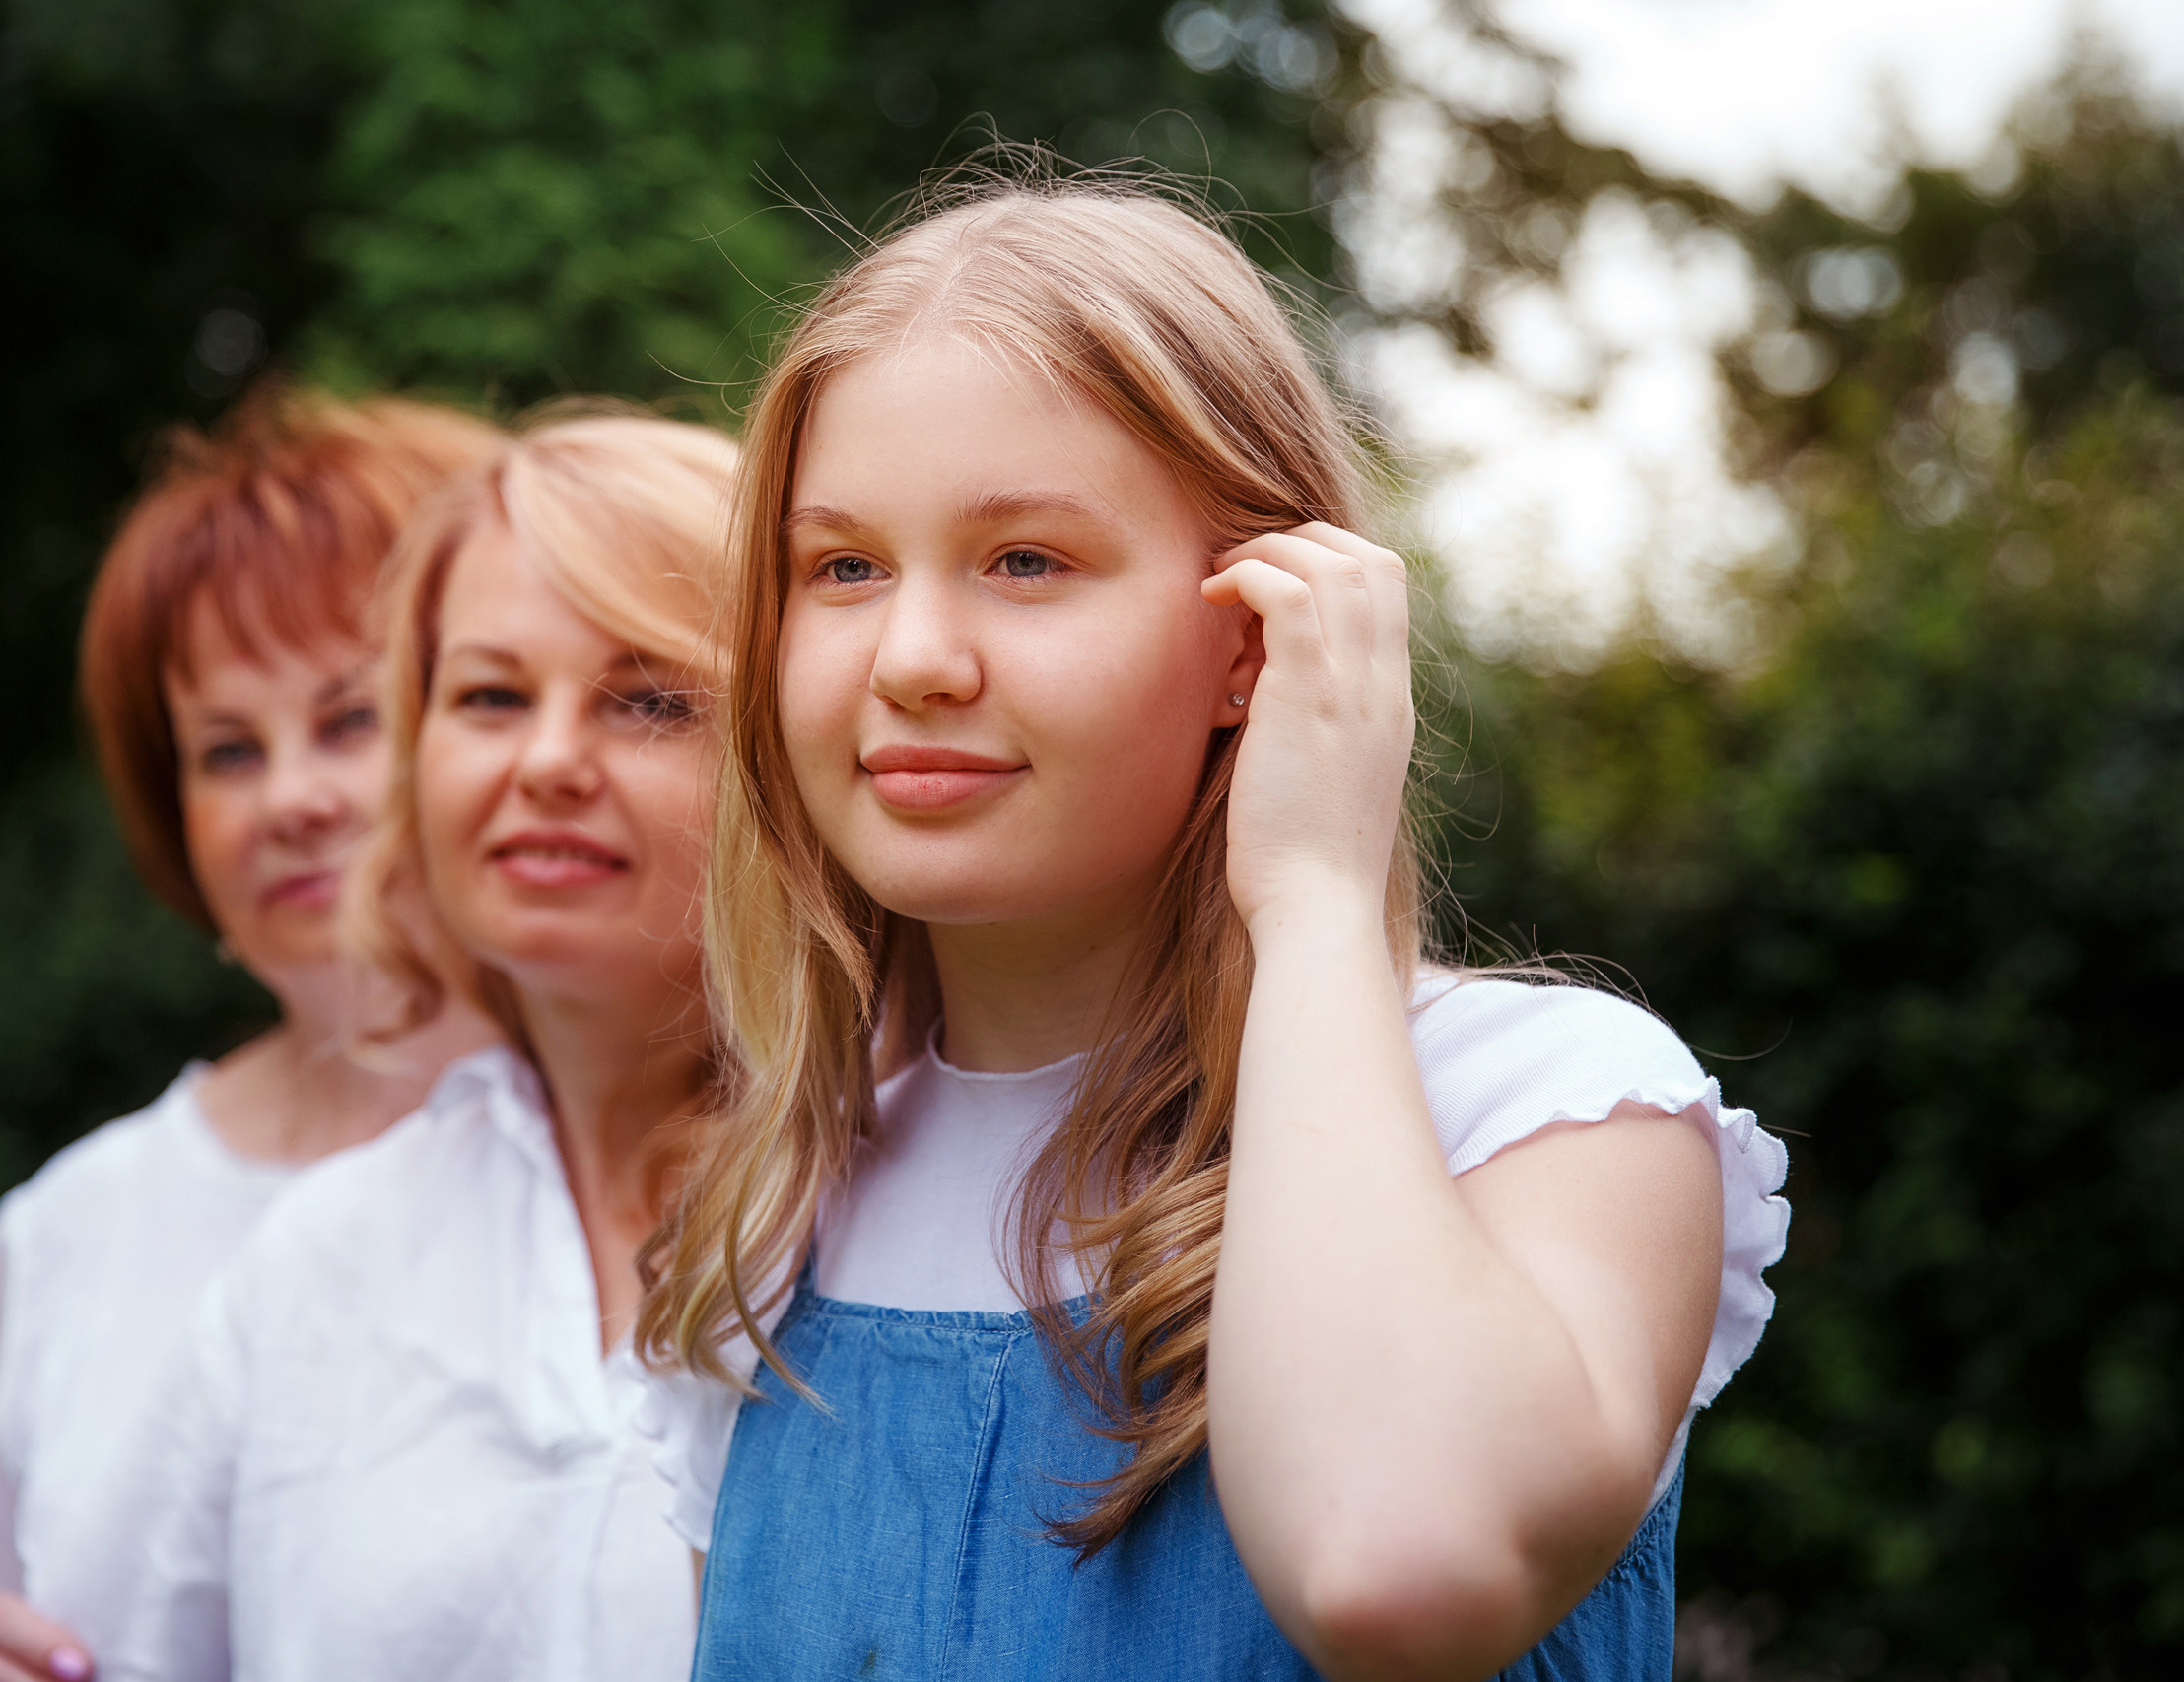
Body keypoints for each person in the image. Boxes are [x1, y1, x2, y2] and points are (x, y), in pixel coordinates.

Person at [635, 176, 1792, 1682]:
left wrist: (1312, 898)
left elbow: (1394, 1566)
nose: (912, 658)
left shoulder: (1546, 1115)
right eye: (843, 568)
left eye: (1026, 561)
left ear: (1257, 634)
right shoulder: (773, 1214)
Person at [0, 386, 502, 1682]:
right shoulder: (69, 1230)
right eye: (226, 751)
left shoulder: (679, 1171)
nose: (290, 799)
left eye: (349, 719)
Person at [93, 409, 734, 1682]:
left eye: (649, 700)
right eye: (491, 695)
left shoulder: (924, 1226)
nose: (549, 760)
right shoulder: (321, 1260)